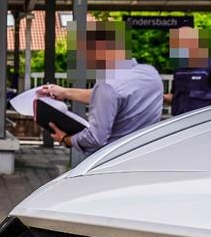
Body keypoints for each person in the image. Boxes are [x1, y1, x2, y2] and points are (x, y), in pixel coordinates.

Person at [38, 21, 162, 155]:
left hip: (113, 161)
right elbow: (113, 97)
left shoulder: (107, 84)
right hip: (146, 154)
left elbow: (95, 139)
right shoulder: (150, 74)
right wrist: (65, 92)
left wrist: (65, 139)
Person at [164, 25, 211, 116]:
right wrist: (159, 97)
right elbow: (174, 98)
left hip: (203, 125)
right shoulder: (179, 69)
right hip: (180, 124)